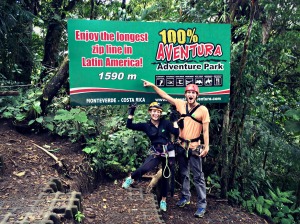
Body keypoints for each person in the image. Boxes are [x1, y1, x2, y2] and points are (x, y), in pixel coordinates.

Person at [142, 79, 210, 218]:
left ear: (197, 95)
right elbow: (165, 96)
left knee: (198, 177)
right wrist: (153, 86)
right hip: (181, 145)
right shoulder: (180, 104)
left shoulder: (203, 110)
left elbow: (206, 130)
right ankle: (186, 197)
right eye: (188, 92)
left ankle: (202, 205)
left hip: (195, 146)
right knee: (184, 173)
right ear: (185, 94)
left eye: (193, 93)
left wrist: (206, 147)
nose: (190, 95)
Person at [122, 102, 179, 212]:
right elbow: (129, 125)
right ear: (150, 112)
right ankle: (131, 178)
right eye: (153, 111)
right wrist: (131, 112)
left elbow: (176, 132)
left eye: (158, 112)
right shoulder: (146, 126)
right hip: (156, 152)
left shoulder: (165, 123)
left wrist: (175, 120)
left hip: (168, 152)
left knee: (166, 176)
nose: (156, 114)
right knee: (145, 167)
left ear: (161, 113)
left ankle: (163, 200)